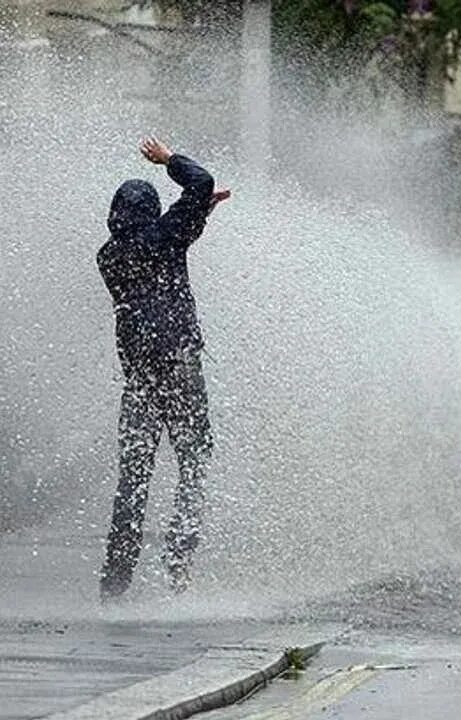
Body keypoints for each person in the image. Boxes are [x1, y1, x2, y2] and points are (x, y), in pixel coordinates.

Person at [97, 137, 230, 599]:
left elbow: (167, 240)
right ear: (153, 211)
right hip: (179, 366)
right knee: (193, 465)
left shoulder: (108, 256)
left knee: (133, 479)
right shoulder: (165, 236)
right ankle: (178, 568)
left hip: (139, 379)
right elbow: (201, 183)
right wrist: (169, 160)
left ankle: (114, 585)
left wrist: (196, 217)